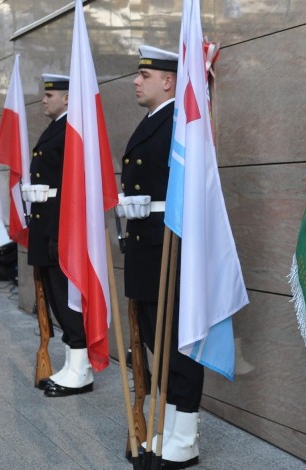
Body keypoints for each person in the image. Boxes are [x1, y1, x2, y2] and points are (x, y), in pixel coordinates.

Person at [118, 45, 202, 469]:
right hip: (145, 246)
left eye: (144, 75)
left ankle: (185, 435)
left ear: (168, 81)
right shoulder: (152, 121)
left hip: (170, 246)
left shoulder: (180, 121)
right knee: (156, 340)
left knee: (177, 342)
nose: (136, 80)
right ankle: (168, 426)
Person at [26, 74, 93, 398]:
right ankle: (72, 362)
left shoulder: (70, 131)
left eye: (50, 94)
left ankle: (81, 367)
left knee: (67, 299)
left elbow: (70, 186)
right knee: (54, 297)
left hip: (57, 226)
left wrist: (55, 232)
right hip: (45, 224)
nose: (44, 99)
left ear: (67, 98)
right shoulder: (55, 129)